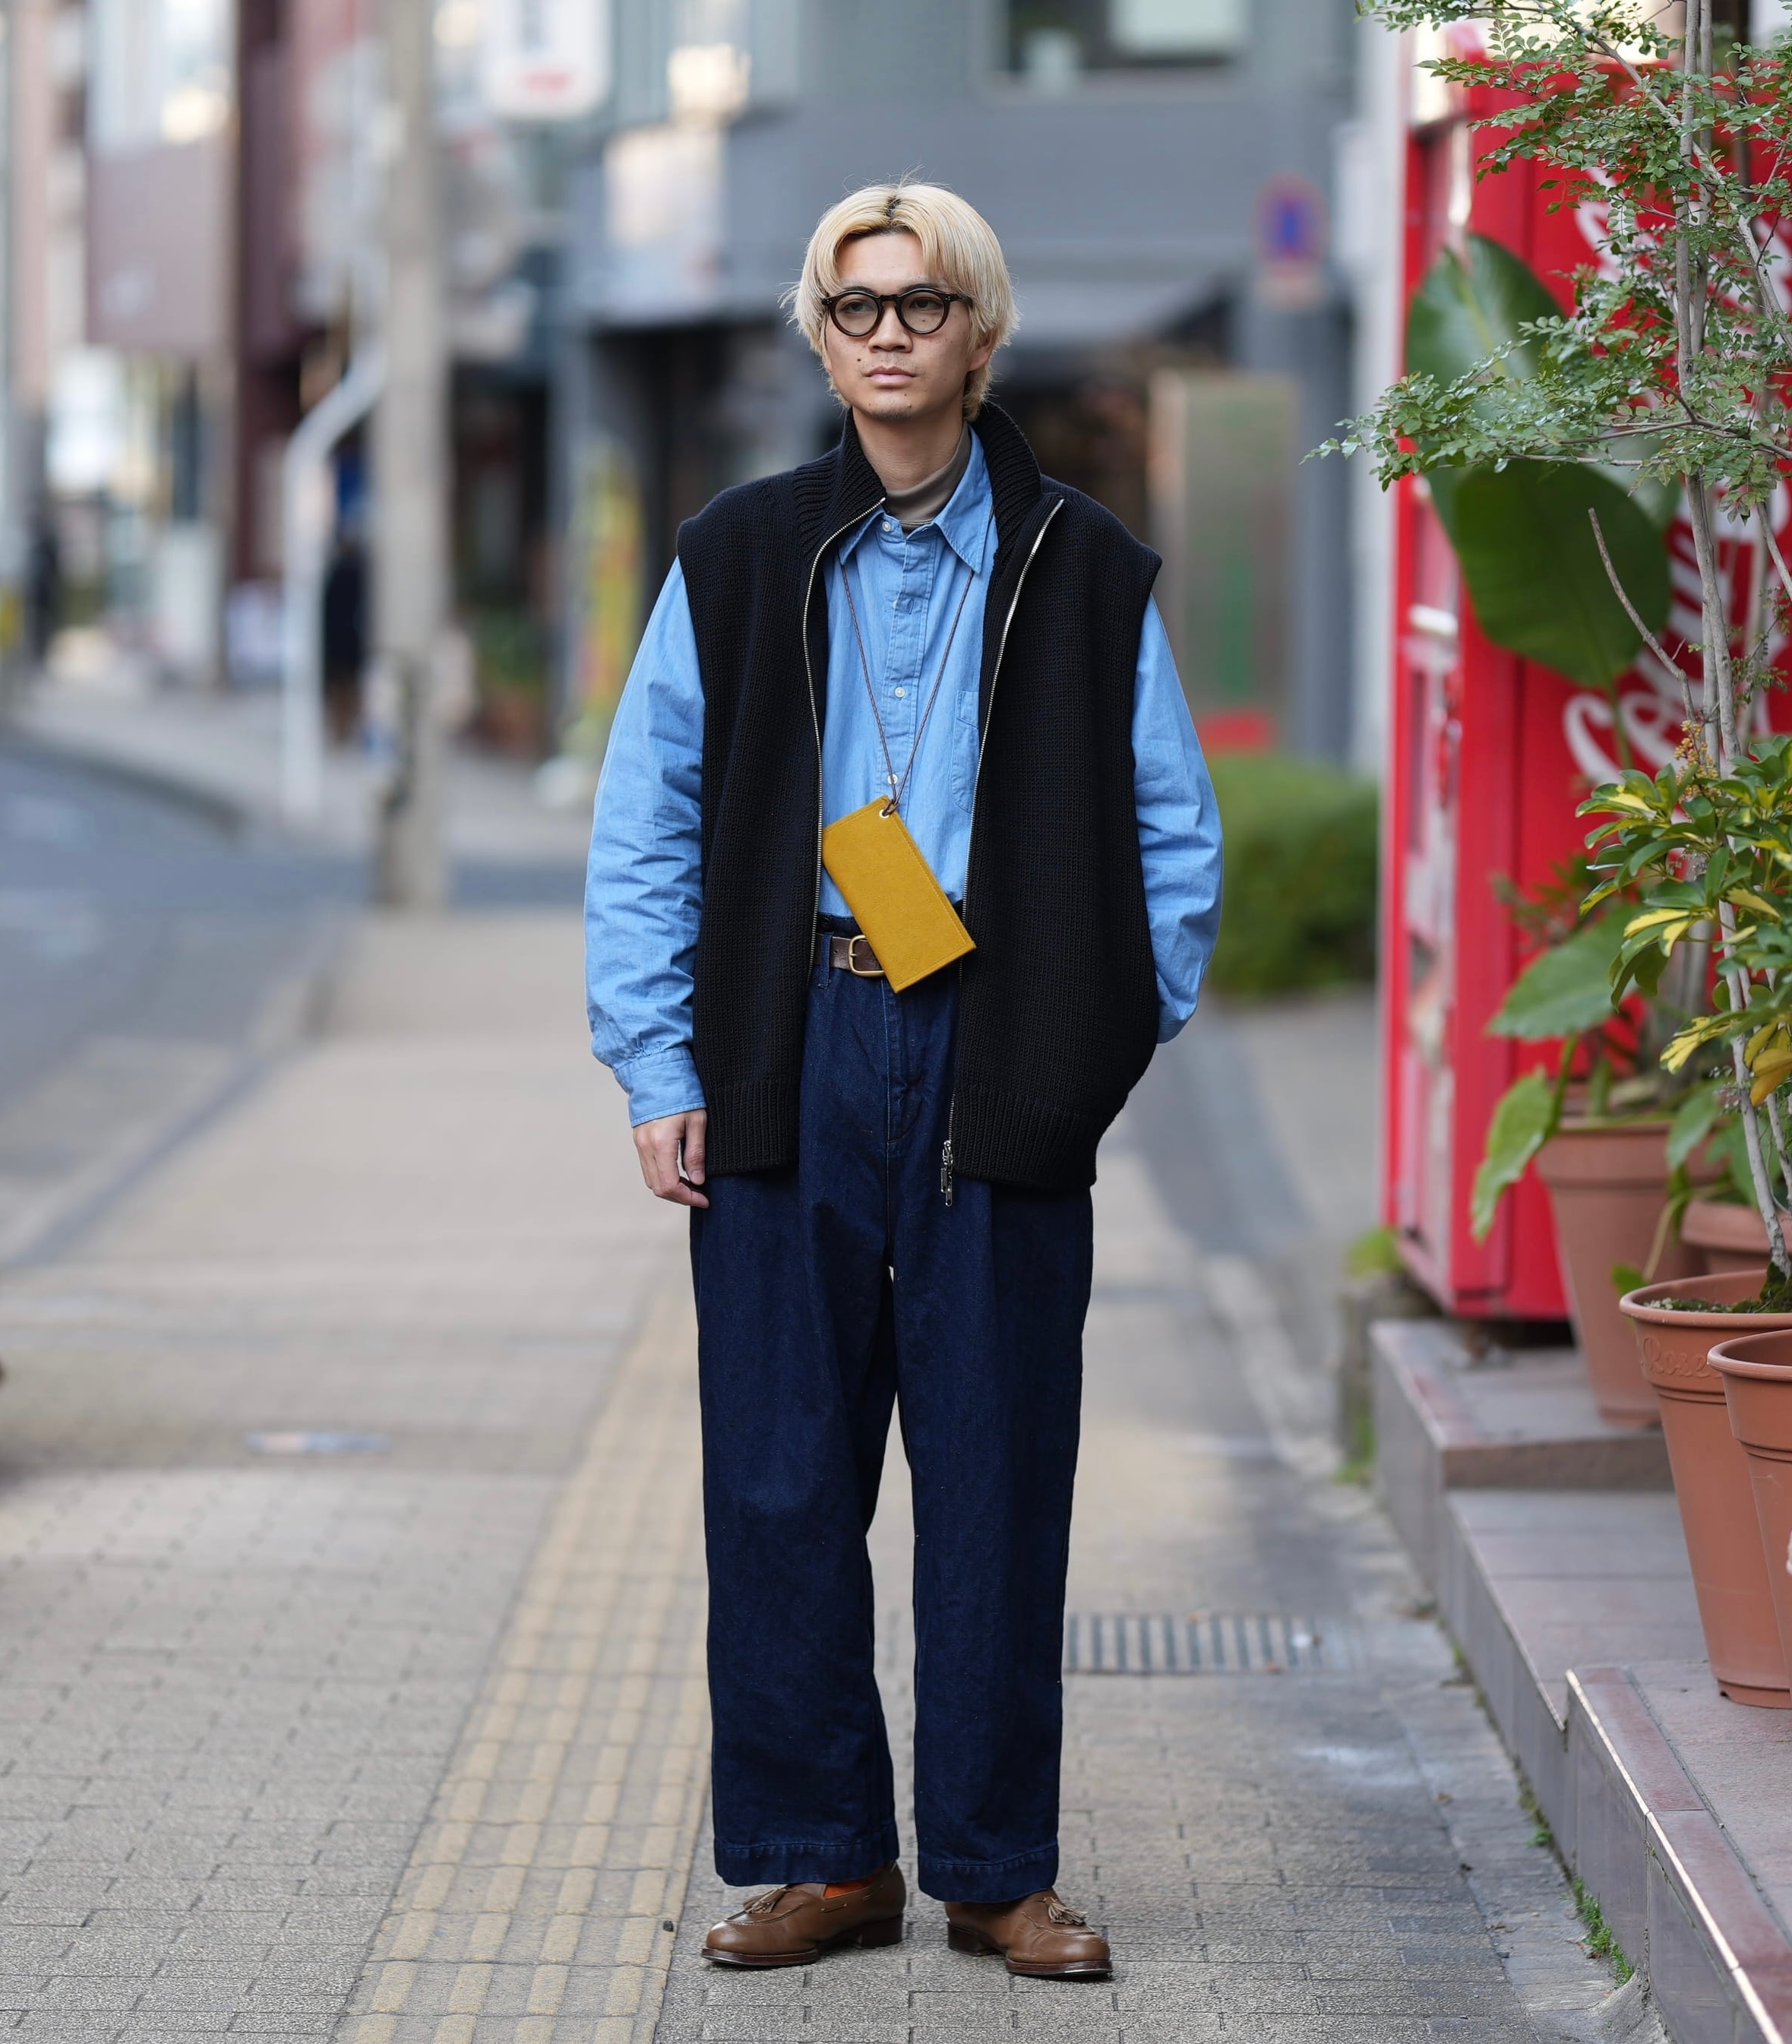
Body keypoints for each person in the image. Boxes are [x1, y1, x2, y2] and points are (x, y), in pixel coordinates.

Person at [584, 182, 1222, 1980]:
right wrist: (657, 1058)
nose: (886, 333)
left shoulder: (1082, 566)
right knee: (778, 1477)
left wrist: (1083, 1054)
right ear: (818, 334)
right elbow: (646, 821)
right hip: (785, 1035)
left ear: (979, 332)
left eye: (920, 304)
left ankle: (997, 1869)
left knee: (996, 1473)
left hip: (991, 1045)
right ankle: (821, 1856)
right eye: (853, 305)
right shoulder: (734, 554)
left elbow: (1172, 836)